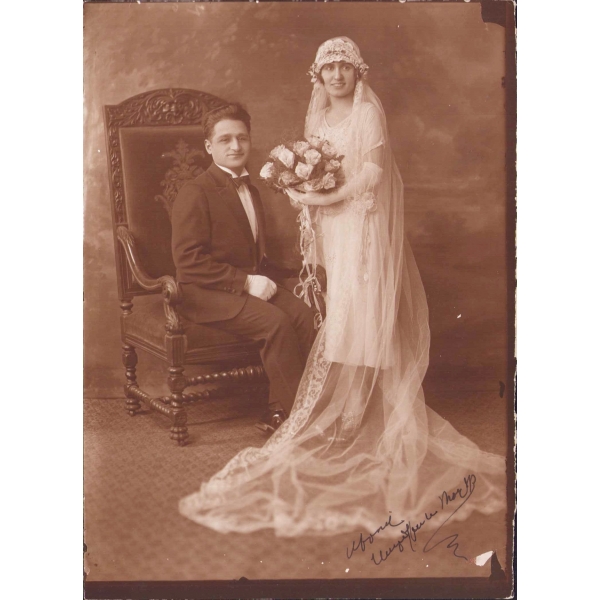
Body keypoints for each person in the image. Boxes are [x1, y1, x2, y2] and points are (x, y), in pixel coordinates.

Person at [179, 38, 506, 543]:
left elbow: (371, 174)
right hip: (330, 228)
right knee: (335, 311)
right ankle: (322, 408)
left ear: (357, 73)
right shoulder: (314, 118)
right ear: (318, 75)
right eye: (328, 68)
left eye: (344, 68)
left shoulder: (368, 114)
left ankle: (358, 407)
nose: (336, 76)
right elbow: (311, 176)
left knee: (360, 309)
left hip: (360, 223)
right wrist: (305, 198)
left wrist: (322, 197)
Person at [171, 103, 317, 432]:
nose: (235, 146)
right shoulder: (195, 192)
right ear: (209, 146)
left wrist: (296, 268)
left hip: (239, 286)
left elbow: (251, 254)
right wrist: (247, 282)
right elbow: (188, 262)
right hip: (203, 293)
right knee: (275, 322)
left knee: (303, 315)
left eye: (242, 138)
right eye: (225, 139)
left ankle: (280, 409)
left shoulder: (250, 188)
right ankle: (301, 421)